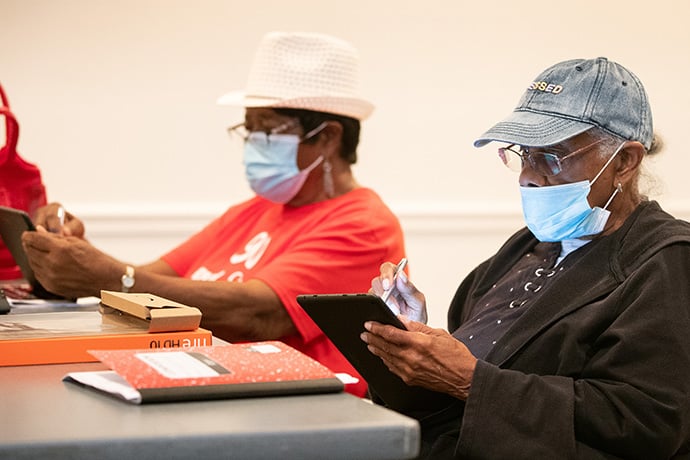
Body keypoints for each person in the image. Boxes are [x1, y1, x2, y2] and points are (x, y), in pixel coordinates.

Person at [21, 31, 406, 397]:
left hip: (302, 413)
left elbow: (257, 315)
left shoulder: (363, 224)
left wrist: (103, 276)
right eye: (248, 130)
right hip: (216, 389)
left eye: (268, 132)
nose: (253, 145)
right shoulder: (255, 211)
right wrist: (75, 254)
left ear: (328, 136)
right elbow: (141, 280)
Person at [362, 57, 690, 459]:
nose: (527, 175)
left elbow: (647, 420)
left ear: (624, 161)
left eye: (552, 156)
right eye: (523, 154)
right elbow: (459, 382)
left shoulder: (664, 261)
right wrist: (408, 342)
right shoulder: (527, 247)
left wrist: (471, 380)